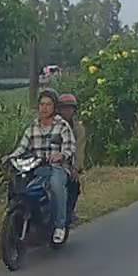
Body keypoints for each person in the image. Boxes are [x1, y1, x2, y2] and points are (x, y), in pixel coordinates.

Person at [6, 88, 76, 243]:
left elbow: (70, 147)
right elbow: (21, 148)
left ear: (54, 107)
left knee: (56, 184)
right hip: (37, 167)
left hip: (57, 167)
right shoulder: (32, 128)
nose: (44, 108)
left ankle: (59, 226)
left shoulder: (62, 126)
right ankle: (17, 218)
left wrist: (61, 155)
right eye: (42, 104)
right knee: (18, 184)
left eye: (48, 105)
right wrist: (10, 157)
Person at [57, 93, 86, 227]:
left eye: (70, 108)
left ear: (74, 110)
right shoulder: (51, 124)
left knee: (74, 184)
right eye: (64, 108)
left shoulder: (78, 129)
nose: (67, 111)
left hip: (67, 163)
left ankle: (69, 213)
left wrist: (75, 167)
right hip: (47, 160)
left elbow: (79, 150)